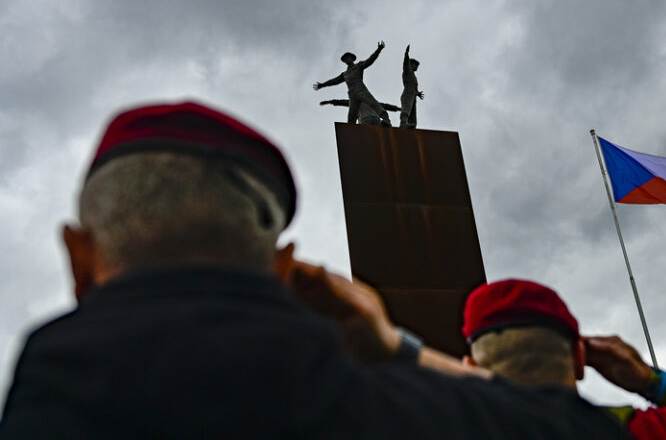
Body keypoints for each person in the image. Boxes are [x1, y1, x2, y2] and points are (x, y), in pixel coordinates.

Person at [0, 102, 627, 439]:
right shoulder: (405, 413)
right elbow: (574, 428)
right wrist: (398, 350)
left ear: (78, 257)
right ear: (285, 264)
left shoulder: (50, 394)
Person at [462, 278, 666, 439]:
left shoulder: (443, 428)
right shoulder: (652, 432)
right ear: (579, 359)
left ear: (469, 368)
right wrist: (651, 382)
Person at [314, 41, 392, 126]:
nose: (347, 60)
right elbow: (334, 81)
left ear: (352, 58)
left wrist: (378, 50)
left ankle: (386, 120)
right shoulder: (345, 74)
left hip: (360, 89)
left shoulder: (359, 66)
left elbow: (370, 60)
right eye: (345, 59)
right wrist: (322, 85)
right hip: (353, 94)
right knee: (351, 115)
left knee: (374, 104)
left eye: (348, 58)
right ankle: (351, 129)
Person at [319, 98, 401, 126]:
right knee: (379, 134)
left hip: (365, 119)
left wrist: (330, 101)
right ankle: (386, 124)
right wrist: (399, 109)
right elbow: (387, 106)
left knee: (365, 135)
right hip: (376, 119)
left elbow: (343, 102)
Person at [400, 44, 424, 129]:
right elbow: (405, 63)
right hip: (407, 94)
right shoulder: (407, 70)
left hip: (413, 96)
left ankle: (411, 127)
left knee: (413, 115)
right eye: (415, 65)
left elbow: (413, 87)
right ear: (411, 64)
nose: (417, 67)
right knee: (407, 109)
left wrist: (417, 93)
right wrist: (406, 53)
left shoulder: (414, 76)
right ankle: (403, 123)